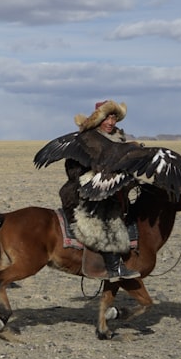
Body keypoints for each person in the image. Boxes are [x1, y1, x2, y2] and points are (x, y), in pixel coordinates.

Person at [59, 100, 140, 280]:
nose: (111, 122)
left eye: (114, 118)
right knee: (107, 225)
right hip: (82, 195)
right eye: (107, 118)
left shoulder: (119, 141)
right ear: (98, 119)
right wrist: (94, 177)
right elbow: (72, 170)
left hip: (112, 195)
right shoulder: (84, 140)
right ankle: (114, 269)